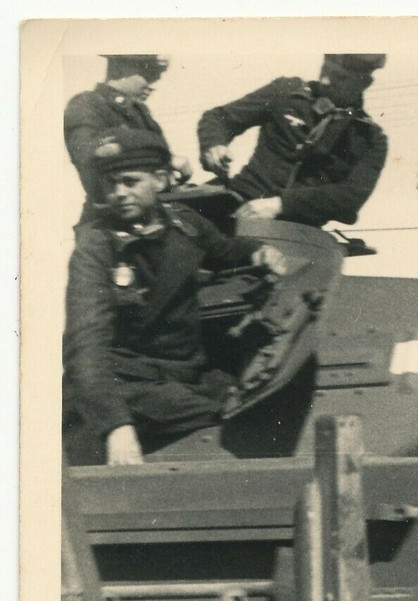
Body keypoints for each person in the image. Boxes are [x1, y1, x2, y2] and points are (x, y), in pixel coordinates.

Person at [62, 129, 288, 467]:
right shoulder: (96, 246)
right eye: (111, 184)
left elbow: (225, 250)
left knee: (252, 398)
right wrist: (115, 424)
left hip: (184, 375)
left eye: (130, 181)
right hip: (127, 383)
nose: (119, 193)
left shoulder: (184, 224)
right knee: (226, 415)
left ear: (160, 179)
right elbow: (86, 344)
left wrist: (258, 251)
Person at [197, 54, 389, 228]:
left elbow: (350, 196)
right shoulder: (286, 92)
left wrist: (282, 204)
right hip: (237, 203)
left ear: (364, 83)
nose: (325, 80)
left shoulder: (371, 138)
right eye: (325, 69)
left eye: (340, 77)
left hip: (297, 230)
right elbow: (218, 118)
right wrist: (214, 145)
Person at [64, 55, 193, 223]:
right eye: (147, 75)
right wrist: (168, 159)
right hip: (110, 220)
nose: (150, 85)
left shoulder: (141, 112)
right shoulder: (86, 104)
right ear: (120, 69)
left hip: (153, 214)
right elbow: (86, 151)